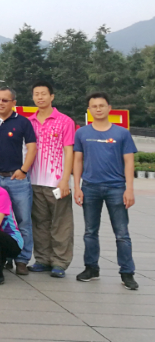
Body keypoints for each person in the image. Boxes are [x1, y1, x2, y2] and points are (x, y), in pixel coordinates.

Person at [73, 92, 139, 290]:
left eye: (102, 105)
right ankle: (91, 268)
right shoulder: (82, 133)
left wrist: (129, 189)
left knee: (122, 233)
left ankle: (127, 272)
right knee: (90, 231)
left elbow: (129, 162)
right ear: (89, 110)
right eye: (94, 106)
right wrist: (77, 187)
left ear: (109, 108)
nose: (98, 109)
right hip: (90, 187)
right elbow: (78, 160)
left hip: (116, 188)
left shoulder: (122, 133)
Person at [0, 87, 36, 275]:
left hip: (17, 179)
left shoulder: (23, 123)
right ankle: (5, 256)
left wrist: (23, 170)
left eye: (5, 100)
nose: (0, 103)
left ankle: (22, 259)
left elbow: (32, 148)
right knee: (0, 220)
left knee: (23, 220)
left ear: (14, 103)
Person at [27, 81, 75, 278]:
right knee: (40, 223)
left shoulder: (65, 121)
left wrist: (65, 179)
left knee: (61, 224)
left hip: (56, 182)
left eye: (43, 94)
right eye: (36, 94)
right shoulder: (29, 122)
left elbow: (69, 151)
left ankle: (60, 262)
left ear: (52, 96)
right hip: (34, 181)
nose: (40, 97)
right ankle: (42, 259)